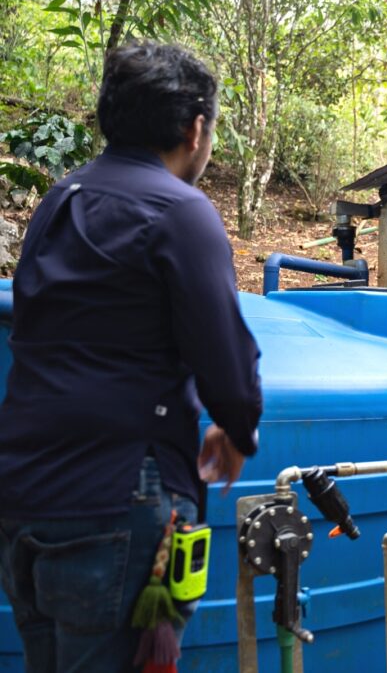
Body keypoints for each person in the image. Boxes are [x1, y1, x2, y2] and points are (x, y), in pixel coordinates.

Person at [0, 42, 262, 672]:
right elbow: (226, 360)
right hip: (116, 497)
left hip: (23, 501)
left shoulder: (56, 202)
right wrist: (236, 427)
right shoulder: (179, 211)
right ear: (195, 128)